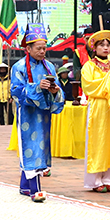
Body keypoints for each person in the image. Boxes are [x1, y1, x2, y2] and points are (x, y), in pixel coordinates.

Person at [10, 24, 65, 203]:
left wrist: (55, 90)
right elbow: (16, 91)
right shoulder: (18, 67)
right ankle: (36, 189)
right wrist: (36, 87)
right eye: (39, 48)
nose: (43, 52)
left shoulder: (49, 66)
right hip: (27, 114)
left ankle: (24, 186)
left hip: (44, 115)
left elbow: (59, 90)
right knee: (30, 146)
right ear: (28, 48)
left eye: (44, 48)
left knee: (40, 147)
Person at [81, 30, 110, 194]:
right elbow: (88, 85)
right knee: (97, 142)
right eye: (102, 45)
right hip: (98, 107)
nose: (106, 47)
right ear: (94, 48)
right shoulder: (89, 66)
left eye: (108, 45)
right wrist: (109, 81)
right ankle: (95, 180)